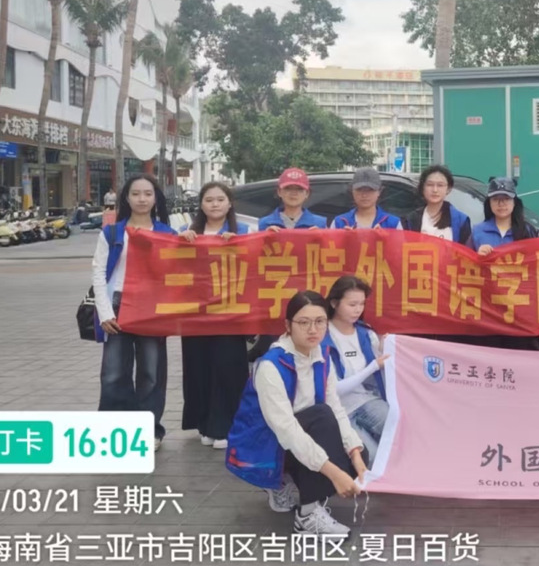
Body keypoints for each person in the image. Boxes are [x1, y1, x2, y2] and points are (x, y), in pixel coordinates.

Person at [226, 290, 366, 535]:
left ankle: (285, 482)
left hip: (302, 435)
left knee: (356, 457)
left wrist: (355, 454)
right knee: (321, 420)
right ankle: (307, 515)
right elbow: (287, 430)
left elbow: (336, 408)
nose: (313, 329)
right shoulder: (271, 366)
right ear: (288, 326)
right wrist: (334, 473)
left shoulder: (322, 356)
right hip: (266, 444)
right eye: (303, 322)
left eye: (320, 321)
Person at [91, 174, 177, 448]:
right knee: (114, 372)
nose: (142, 199)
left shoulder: (167, 234)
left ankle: (149, 430)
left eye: (148, 194)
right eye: (136, 194)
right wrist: (105, 313)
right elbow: (99, 273)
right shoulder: (112, 233)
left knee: (151, 372)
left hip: (153, 309)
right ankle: (114, 431)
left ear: (155, 199)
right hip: (118, 306)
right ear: (126, 198)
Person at [177, 182, 251, 451]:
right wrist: (180, 244)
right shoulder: (187, 232)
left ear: (230, 203)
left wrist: (240, 246)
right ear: (201, 204)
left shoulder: (244, 231)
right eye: (209, 200)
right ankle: (205, 424)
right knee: (199, 368)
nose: (215, 204)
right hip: (196, 314)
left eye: (220, 199)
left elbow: (256, 266)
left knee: (228, 369)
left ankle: (226, 426)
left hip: (230, 313)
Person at [322, 276, 389, 465]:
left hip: (367, 400)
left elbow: (381, 375)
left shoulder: (366, 333)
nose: (358, 309)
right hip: (339, 410)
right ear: (334, 303)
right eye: (352, 304)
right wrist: (373, 366)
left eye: (361, 304)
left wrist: (383, 349)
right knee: (371, 457)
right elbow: (334, 388)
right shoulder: (322, 336)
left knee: (398, 429)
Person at [471, 177, 539, 350]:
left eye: (506, 199)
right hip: (488, 310)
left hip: (520, 310)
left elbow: (537, 272)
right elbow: (464, 269)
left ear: (514, 202)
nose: (501, 204)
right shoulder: (477, 231)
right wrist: (477, 257)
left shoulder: (527, 231)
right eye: (496, 199)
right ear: (489, 203)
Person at [404, 164, 473, 246]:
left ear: (448, 189)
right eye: (430, 185)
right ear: (423, 188)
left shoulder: (460, 220)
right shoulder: (411, 219)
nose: (435, 190)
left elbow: (466, 251)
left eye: (440, 185)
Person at [259, 168, 327, 231]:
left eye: (299, 189)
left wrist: (322, 237)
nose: (294, 193)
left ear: (307, 193)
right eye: (288, 188)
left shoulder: (320, 224)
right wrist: (265, 236)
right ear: (279, 192)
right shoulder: (264, 223)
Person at [332, 168, 402, 229]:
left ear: (379, 192)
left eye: (370, 190)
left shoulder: (393, 223)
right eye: (359, 190)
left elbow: (400, 241)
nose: (364, 195)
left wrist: (385, 238)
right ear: (352, 191)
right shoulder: (339, 222)